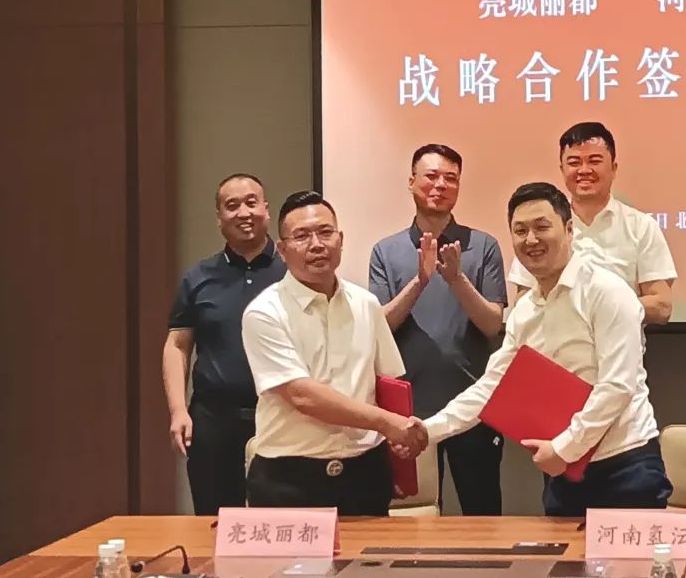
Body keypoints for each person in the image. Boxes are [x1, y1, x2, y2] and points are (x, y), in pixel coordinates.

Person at [422, 182, 672, 517]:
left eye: (541, 227)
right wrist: (426, 431)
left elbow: (617, 386)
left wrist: (565, 448)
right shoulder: (524, 311)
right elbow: (493, 386)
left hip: (624, 465)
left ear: (569, 230)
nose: (531, 240)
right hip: (563, 470)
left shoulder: (607, 291)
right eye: (520, 231)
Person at [241, 190, 428, 515]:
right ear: (282, 250)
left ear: (340, 240)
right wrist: (387, 423)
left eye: (325, 232)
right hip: (289, 478)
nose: (316, 244)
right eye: (302, 236)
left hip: (365, 473)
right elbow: (302, 395)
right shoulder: (265, 312)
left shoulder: (366, 304)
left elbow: (388, 384)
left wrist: (397, 450)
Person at [369, 144, 507, 515]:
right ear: (411, 182)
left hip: (474, 406)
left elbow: (492, 324)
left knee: (483, 514)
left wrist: (456, 278)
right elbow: (380, 327)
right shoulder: (386, 251)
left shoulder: (483, 246)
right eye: (431, 176)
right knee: (413, 517)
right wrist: (420, 281)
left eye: (450, 178)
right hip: (409, 412)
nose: (440, 185)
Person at [163, 173, 286, 516]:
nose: (243, 212)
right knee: (213, 523)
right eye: (232, 206)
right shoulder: (198, 277)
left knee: (281, 522)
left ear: (266, 209)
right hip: (214, 420)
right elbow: (177, 345)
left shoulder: (293, 272)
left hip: (282, 417)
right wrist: (177, 410)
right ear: (219, 217)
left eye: (251, 203)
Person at [507, 122, 676, 324]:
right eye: (574, 162)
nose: (584, 170)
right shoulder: (542, 226)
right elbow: (523, 299)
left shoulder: (641, 226)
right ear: (562, 169)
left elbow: (661, 306)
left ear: (613, 168)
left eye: (594, 161)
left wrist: (596, 308)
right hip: (550, 341)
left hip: (620, 341)